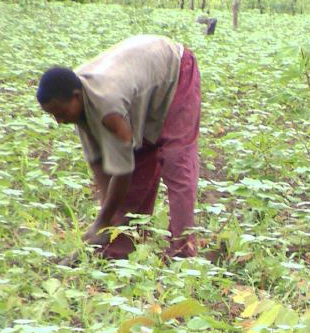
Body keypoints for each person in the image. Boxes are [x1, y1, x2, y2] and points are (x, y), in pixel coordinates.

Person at [36, 35, 201, 259]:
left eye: (62, 113)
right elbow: (99, 164)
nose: (60, 121)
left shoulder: (108, 109)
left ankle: (183, 250)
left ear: (76, 97)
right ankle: (121, 247)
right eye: (54, 116)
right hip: (141, 83)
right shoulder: (77, 103)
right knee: (140, 157)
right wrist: (106, 222)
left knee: (176, 161)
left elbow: (123, 171)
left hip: (174, 68)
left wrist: (101, 221)